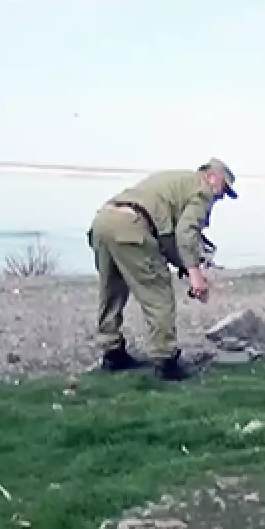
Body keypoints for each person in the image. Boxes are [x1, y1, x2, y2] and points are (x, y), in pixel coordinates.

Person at [87, 158, 237, 381]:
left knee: (112, 291)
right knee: (159, 294)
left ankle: (111, 352)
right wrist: (197, 278)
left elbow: (166, 237)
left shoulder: (176, 180)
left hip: (103, 221)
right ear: (211, 176)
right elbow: (186, 234)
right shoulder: (202, 190)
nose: (221, 196)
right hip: (133, 227)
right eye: (224, 188)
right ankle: (166, 361)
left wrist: (184, 265)